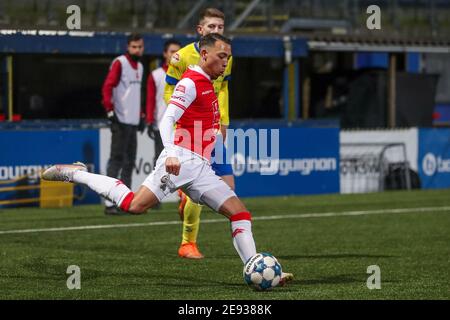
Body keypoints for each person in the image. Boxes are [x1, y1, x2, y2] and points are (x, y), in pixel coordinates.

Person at [42, 34, 293, 286]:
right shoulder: (191, 81)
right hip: (181, 160)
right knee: (134, 205)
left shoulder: (208, 82)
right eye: (221, 56)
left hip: (201, 168)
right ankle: (77, 174)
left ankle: (255, 268)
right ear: (204, 55)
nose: (225, 62)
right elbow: (167, 119)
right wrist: (171, 152)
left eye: (228, 57)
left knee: (240, 213)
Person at [164, 7, 234, 259]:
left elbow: (223, 90)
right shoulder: (181, 57)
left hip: (213, 128)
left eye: (220, 27)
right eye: (212, 27)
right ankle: (187, 244)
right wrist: (179, 123)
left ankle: (186, 195)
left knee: (229, 188)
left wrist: (223, 121)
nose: (216, 31)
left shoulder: (226, 54)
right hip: (190, 129)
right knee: (199, 181)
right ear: (200, 30)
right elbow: (169, 91)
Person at [101, 33, 146, 215]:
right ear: (128, 47)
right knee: (116, 161)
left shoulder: (141, 66)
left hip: (133, 121)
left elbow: (136, 95)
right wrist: (110, 110)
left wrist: (141, 115)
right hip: (120, 119)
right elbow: (107, 86)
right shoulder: (120, 63)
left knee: (129, 163)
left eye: (140, 47)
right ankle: (109, 203)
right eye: (134, 46)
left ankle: (124, 202)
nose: (137, 50)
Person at [146, 39, 182, 173]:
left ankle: (180, 194)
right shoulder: (156, 75)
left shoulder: (187, 74)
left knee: (182, 162)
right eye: (172, 51)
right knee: (161, 161)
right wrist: (149, 121)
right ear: (165, 54)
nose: (176, 55)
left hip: (182, 126)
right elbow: (150, 100)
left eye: (178, 52)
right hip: (162, 125)